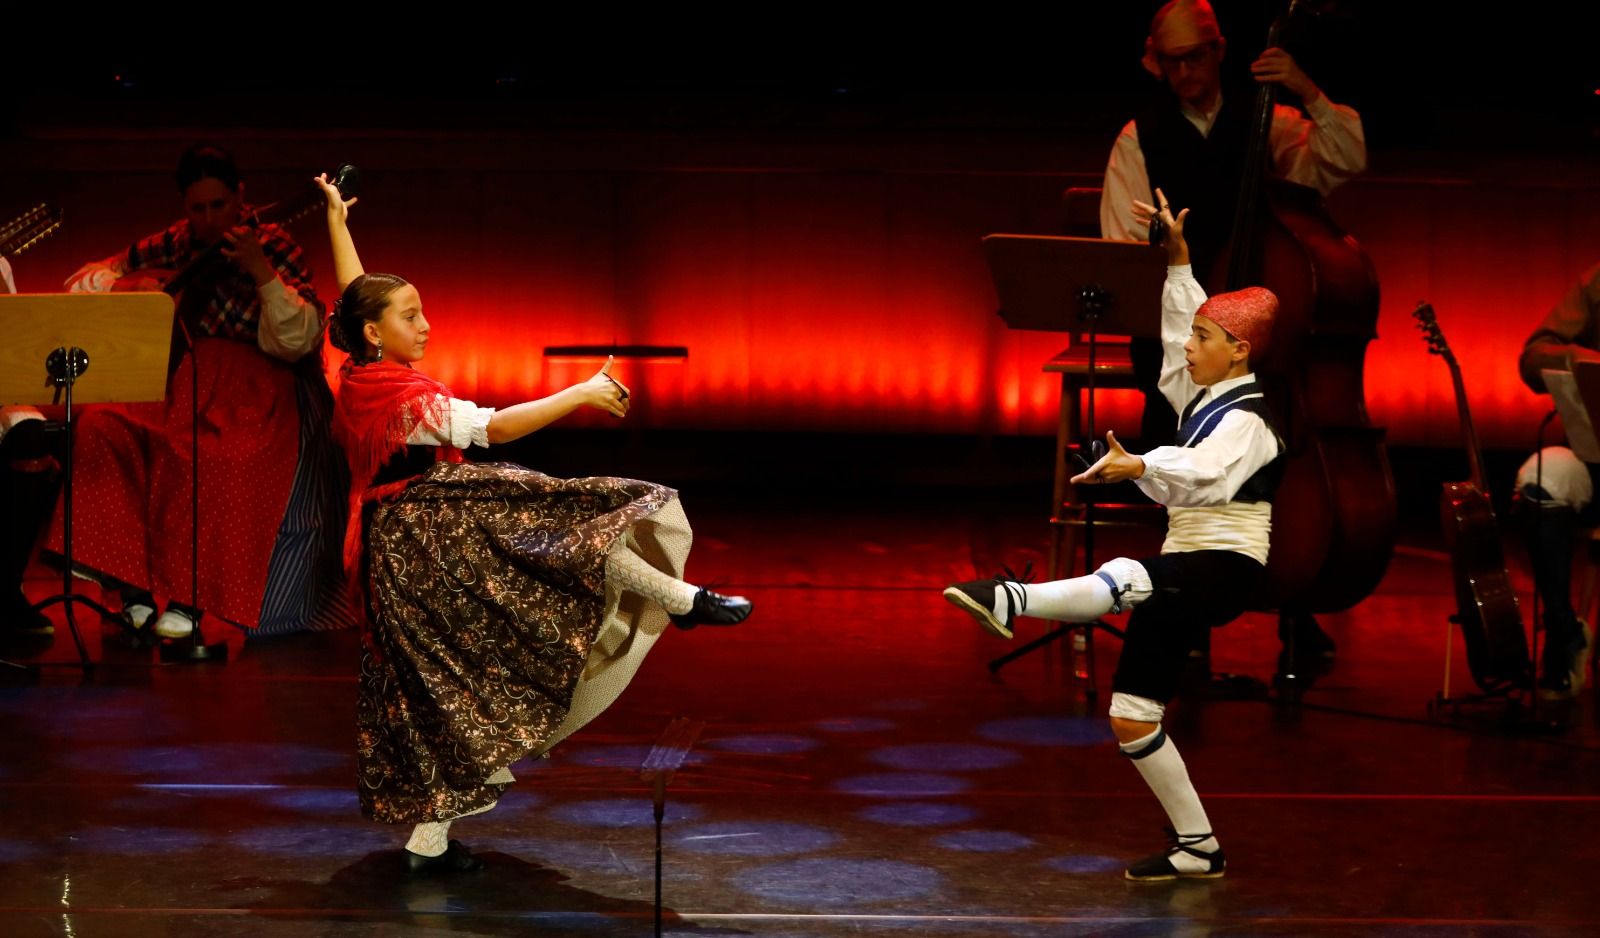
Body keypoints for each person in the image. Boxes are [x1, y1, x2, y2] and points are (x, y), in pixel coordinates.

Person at [314, 175, 751, 874]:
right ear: (375, 333)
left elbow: (353, 291)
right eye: (410, 315)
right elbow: (492, 427)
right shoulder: (392, 397)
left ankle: (428, 841)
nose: (425, 325)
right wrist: (579, 390)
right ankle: (682, 599)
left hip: (415, 533)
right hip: (417, 541)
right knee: (560, 537)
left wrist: (336, 220)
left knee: (450, 677)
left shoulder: (354, 369)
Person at [945, 193, 1282, 880]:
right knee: (1132, 714)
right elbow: (1174, 335)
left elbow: (1207, 474)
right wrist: (1178, 261)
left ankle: (1012, 600)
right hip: (1190, 560)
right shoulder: (1206, 398)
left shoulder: (1247, 421)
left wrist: (1143, 462)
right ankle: (1198, 848)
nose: (1188, 347)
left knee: (1131, 574)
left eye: (1204, 340)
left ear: (1240, 350)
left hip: (1227, 565)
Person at [46, 144, 348, 639]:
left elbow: (299, 338)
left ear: (239, 197)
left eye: (219, 206)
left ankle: (191, 602)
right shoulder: (179, 241)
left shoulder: (273, 242)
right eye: (198, 208)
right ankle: (131, 587)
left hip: (258, 389)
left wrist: (260, 272)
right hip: (184, 380)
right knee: (105, 428)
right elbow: (95, 273)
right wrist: (122, 286)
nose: (209, 219)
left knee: (209, 456)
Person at [1514, 263, 1600, 698]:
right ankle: (1564, 632)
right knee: (1543, 475)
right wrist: (1582, 359)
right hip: (1597, 462)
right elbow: (1533, 358)